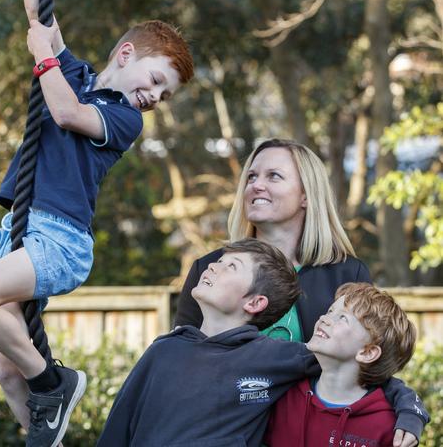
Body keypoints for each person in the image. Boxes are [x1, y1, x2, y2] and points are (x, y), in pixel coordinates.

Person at [0, 0, 194, 445]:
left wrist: (43, 60)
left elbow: (64, 112)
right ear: (126, 54)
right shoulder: (76, 73)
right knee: (3, 366)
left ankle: (54, 383)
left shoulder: (124, 119)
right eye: (154, 80)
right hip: (21, 232)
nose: (153, 96)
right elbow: (38, 15)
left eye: (163, 94)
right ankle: (47, 431)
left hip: (59, 241)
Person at [174, 138, 427, 445]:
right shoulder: (210, 269)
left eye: (273, 176)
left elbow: (366, 360)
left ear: (306, 195)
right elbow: (177, 361)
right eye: (251, 177)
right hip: (220, 433)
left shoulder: (346, 274)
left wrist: (408, 404)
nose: (255, 186)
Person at [96, 240, 427, 446]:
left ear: (254, 303)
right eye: (218, 261)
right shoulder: (162, 351)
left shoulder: (276, 358)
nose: (212, 265)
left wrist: (410, 411)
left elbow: (364, 369)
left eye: (231, 266)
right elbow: (117, 429)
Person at [264, 282, 419, 447]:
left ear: (367, 352)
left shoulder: (388, 426)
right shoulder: (284, 396)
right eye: (330, 311)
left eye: (342, 318)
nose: (324, 318)